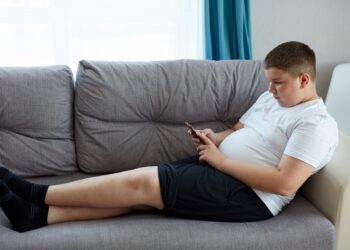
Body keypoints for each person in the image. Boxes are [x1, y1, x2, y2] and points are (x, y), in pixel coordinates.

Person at [0, 41, 339, 232]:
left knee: (144, 184)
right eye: (269, 81)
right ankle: (37, 216)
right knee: (138, 193)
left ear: (305, 80)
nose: (270, 89)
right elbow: (239, 129)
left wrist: (220, 161)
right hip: (220, 168)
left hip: (250, 196)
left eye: (278, 82)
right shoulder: (272, 98)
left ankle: (37, 193)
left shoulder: (315, 125)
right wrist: (215, 139)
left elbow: (284, 184)